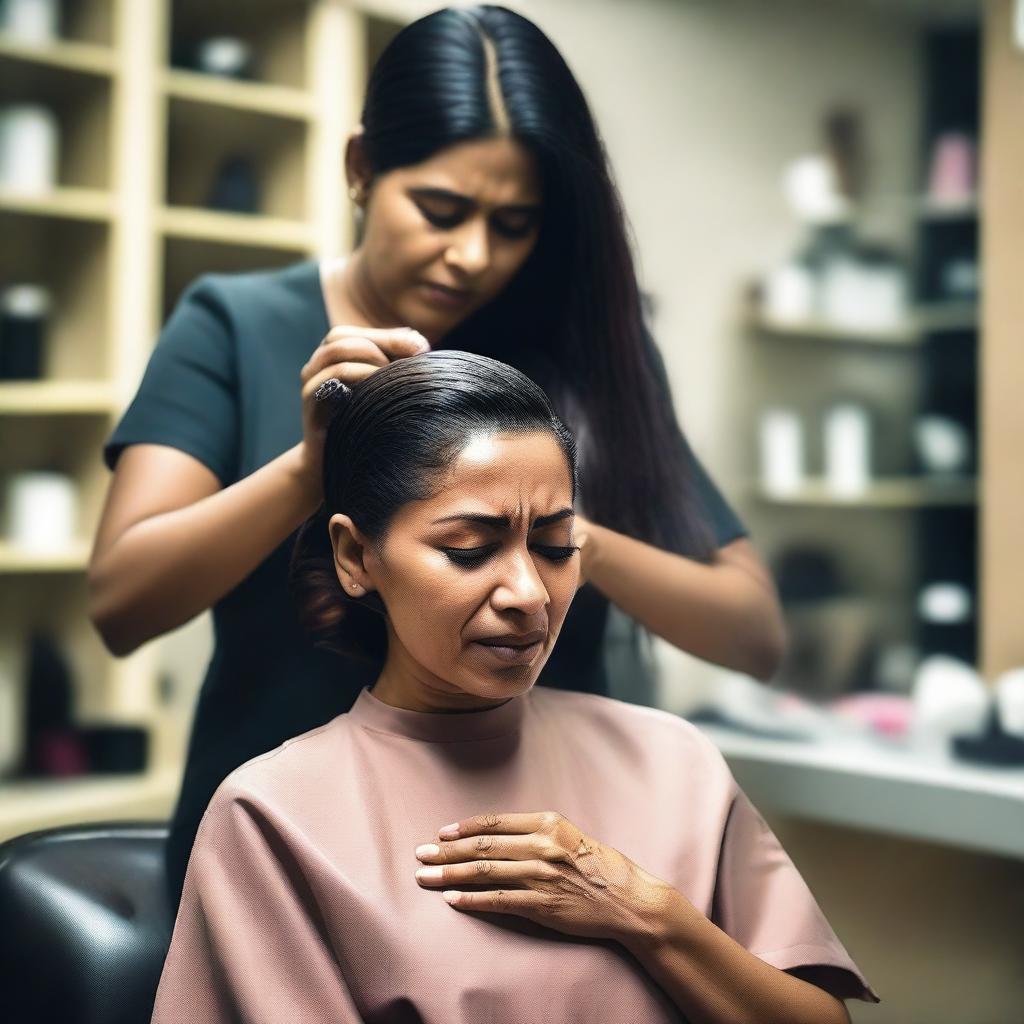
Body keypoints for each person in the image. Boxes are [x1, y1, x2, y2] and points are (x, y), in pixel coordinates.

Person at [89, 5, 786, 909]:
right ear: (362, 170)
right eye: (442, 210)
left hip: (532, 868)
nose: (472, 257)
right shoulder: (236, 325)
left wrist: (558, 539)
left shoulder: (583, 352)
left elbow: (753, 632)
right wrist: (309, 467)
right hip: (282, 865)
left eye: (515, 224)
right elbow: (121, 604)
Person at [151, 351, 875, 1024]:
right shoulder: (274, 816)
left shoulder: (675, 760)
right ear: (355, 556)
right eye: (470, 550)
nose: (530, 591)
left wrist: (647, 914)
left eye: (556, 547)